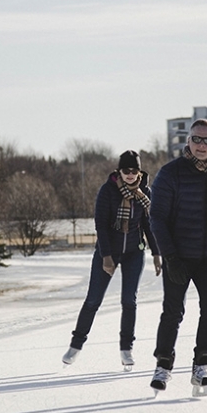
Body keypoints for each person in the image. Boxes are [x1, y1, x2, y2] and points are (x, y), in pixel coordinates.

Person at [148, 118, 207, 394]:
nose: (201, 145)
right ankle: (163, 366)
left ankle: (202, 365)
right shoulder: (170, 173)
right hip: (178, 255)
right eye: (196, 139)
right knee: (173, 311)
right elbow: (157, 218)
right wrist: (170, 257)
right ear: (188, 140)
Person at [62, 150, 161, 369]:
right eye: (126, 170)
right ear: (119, 171)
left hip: (134, 252)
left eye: (134, 170)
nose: (130, 174)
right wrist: (106, 257)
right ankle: (75, 345)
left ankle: (126, 349)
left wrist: (156, 253)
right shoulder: (107, 191)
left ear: (139, 172)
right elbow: (101, 225)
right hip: (108, 251)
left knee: (129, 301)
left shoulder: (145, 193)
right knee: (93, 300)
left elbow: (148, 224)